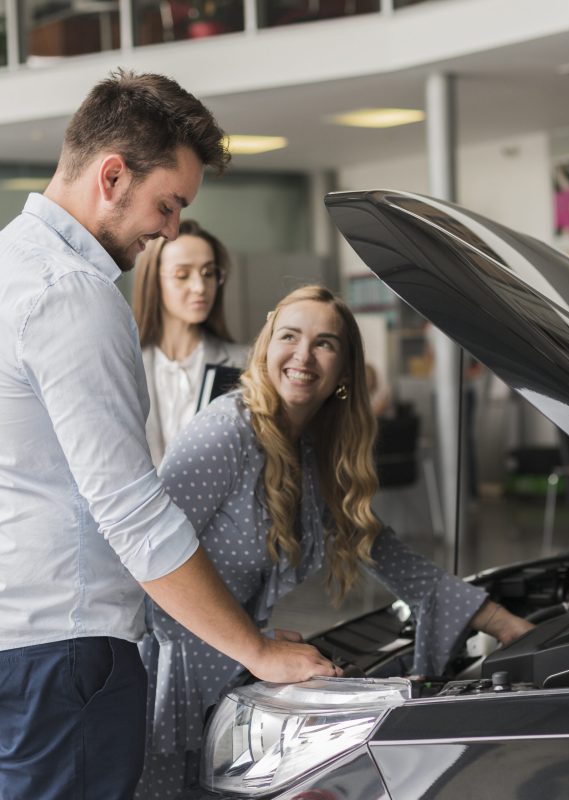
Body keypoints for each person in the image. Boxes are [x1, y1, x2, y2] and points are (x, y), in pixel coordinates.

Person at [0, 71, 338, 800]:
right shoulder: (74, 296)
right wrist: (252, 649)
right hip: (63, 658)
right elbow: (132, 512)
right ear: (111, 174)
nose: (172, 230)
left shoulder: (7, 269)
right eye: (169, 203)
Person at [136, 284, 533, 798]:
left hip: (229, 673)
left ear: (345, 372)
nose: (303, 355)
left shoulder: (312, 450)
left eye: (324, 343)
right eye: (290, 336)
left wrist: (501, 622)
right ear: (266, 348)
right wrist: (254, 647)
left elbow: (380, 548)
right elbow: (147, 561)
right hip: (170, 686)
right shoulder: (227, 431)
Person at [133, 220, 248, 467]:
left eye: (208, 273)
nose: (199, 287)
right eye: (182, 275)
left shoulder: (245, 364)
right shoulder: (126, 366)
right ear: (153, 280)